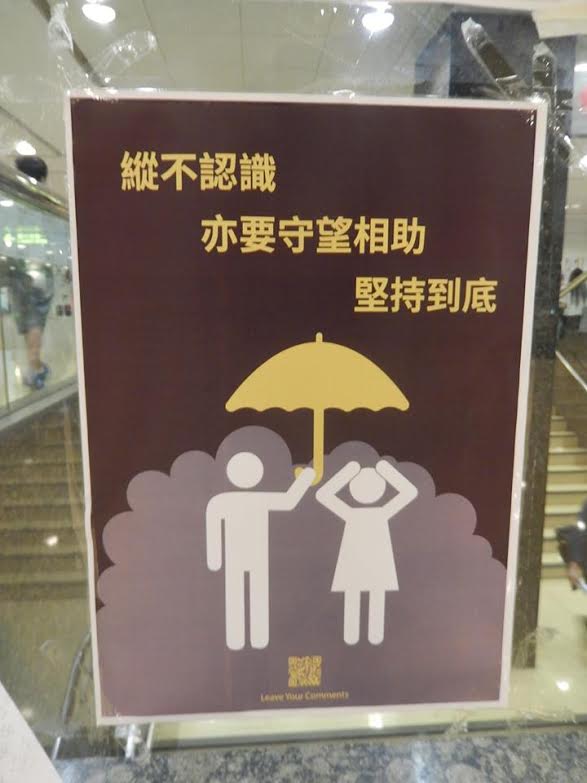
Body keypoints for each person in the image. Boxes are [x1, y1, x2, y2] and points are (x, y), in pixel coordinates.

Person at [206, 452, 315, 650]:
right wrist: (215, 559)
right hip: (237, 558)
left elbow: (289, 501)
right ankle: (239, 639)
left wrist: (306, 478)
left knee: (256, 595)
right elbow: (213, 529)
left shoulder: (230, 501)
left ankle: (257, 638)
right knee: (238, 596)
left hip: (256, 557)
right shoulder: (221, 502)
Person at [316, 459, 418, 646]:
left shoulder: (362, 513)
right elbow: (322, 495)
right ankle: (354, 637)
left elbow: (325, 494)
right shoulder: (373, 513)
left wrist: (355, 470)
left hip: (376, 562)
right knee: (357, 595)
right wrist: (375, 470)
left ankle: (368, 637)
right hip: (354, 560)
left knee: (372, 595)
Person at [10, 260, 54, 390]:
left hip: (34, 322)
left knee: (33, 350)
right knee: (32, 350)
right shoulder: (23, 293)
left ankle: (38, 374)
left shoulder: (35, 293)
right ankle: (37, 373)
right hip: (29, 322)